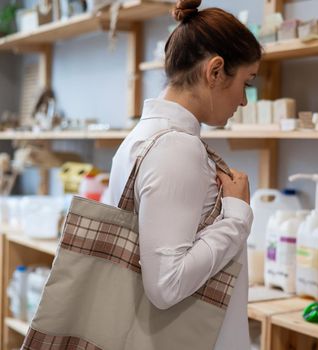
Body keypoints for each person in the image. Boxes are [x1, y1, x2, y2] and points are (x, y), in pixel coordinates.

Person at [106, 0, 262, 348]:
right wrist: (237, 216)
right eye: (246, 82)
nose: (244, 101)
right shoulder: (176, 148)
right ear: (216, 70)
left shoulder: (143, 137)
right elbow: (167, 285)